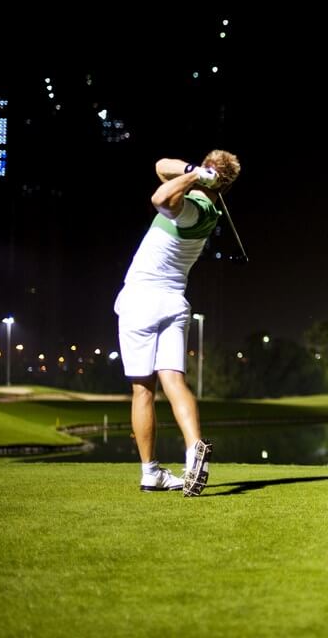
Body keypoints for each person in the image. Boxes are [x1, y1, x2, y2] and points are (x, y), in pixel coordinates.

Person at [114, 150, 240, 496]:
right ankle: (193, 450)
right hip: (173, 303)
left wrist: (196, 178)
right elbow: (160, 167)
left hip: (142, 300)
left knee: (142, 389)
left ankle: (149, 472)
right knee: (173, 380)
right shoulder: (204, 203)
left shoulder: (196, 210)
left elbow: (159, 197)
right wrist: (194, 172)